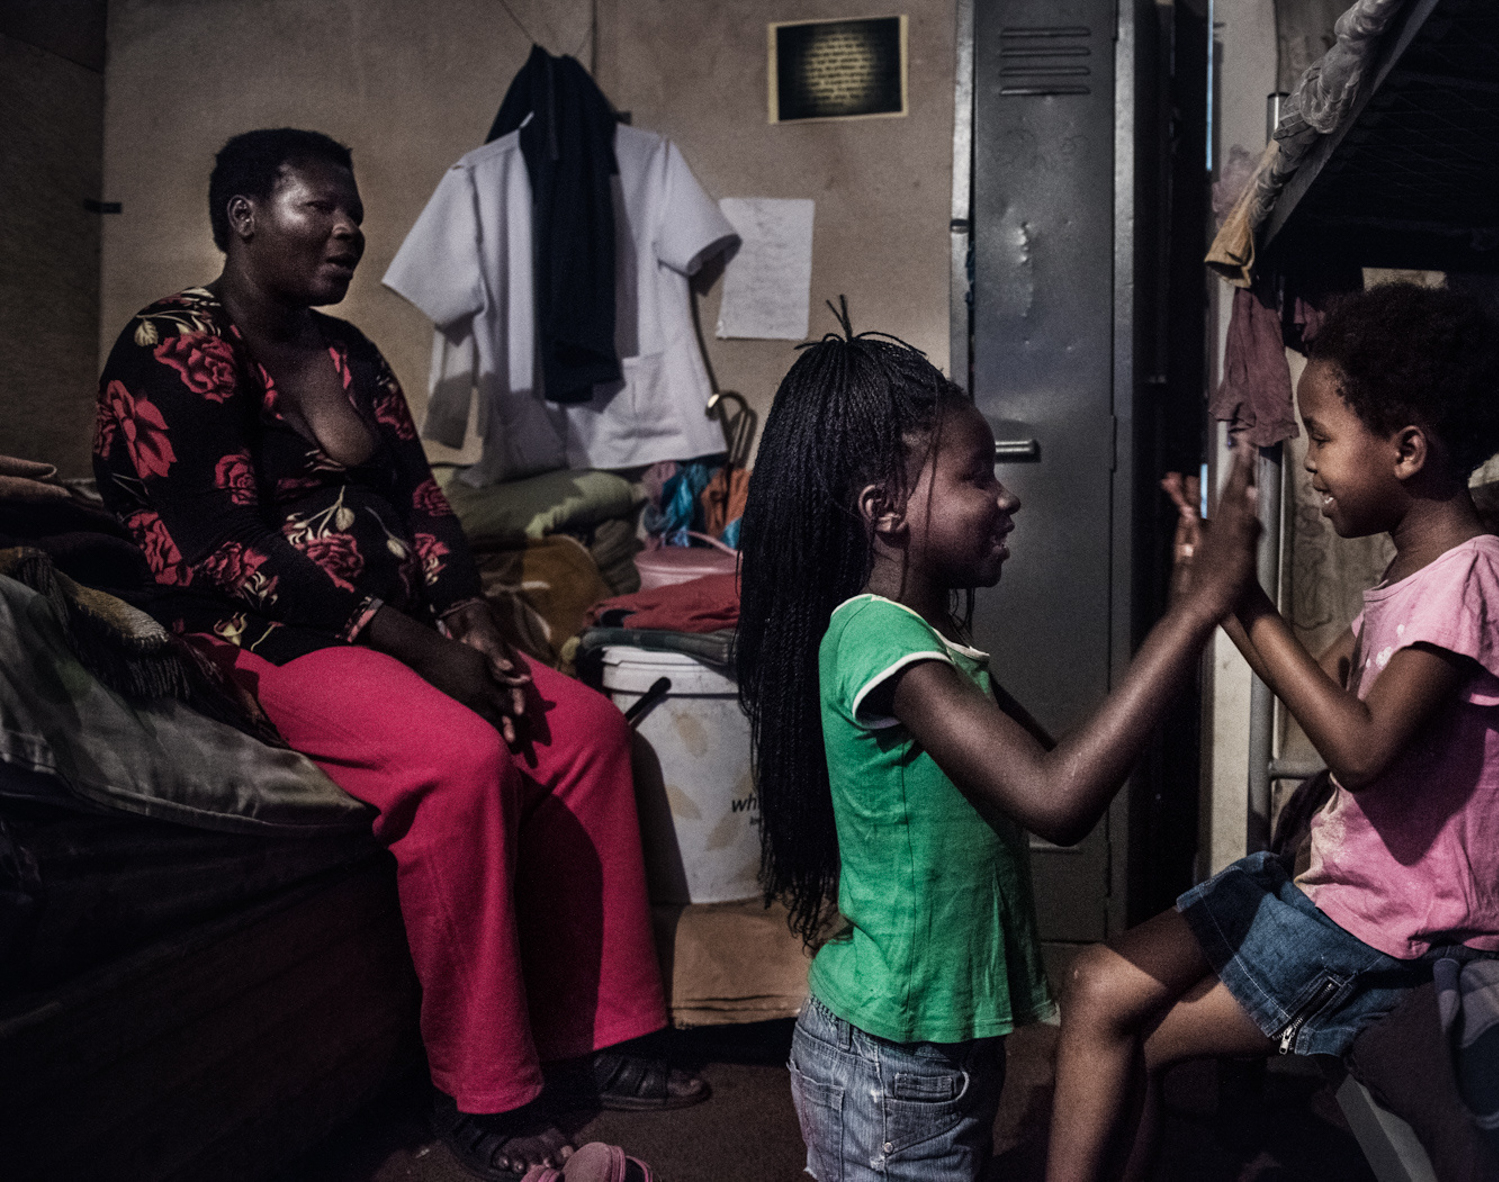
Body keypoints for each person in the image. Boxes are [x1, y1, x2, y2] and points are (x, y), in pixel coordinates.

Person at [91, 128, 703, 1182]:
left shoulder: (349, 353)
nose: (349, 231)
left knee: (587, 733)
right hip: (253, 635)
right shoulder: (171, 346)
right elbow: (212, 548)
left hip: (398, 621)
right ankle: (481, 1088)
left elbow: (418, 499)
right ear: (243, 218)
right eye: (317, 209)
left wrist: (465, 612)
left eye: (354, 212)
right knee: (457, 765)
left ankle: (598, 1031)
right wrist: (408, 641)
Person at [734, 318, 1264, 1181]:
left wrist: (1183, 611)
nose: (1005, 496)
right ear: (886, 511)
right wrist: (1193, 616)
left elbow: (1062, 772)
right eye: (977, 476)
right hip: (889, 1063)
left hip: (920, 1055)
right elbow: (1059, 798)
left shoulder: (926, 641)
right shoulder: (880, 643)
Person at [1046, 283, 1499, 1181]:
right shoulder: (1414, 575)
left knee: (1129, 1031)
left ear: (1405, 450)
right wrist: (1219, 597)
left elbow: (1360, 749)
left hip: (1389, 924)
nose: (1309, 464)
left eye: (1321, 437)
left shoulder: (1472, 580)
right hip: (1341, 886)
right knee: (1096, 983)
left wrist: (1244, 601)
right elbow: (1329, 709)